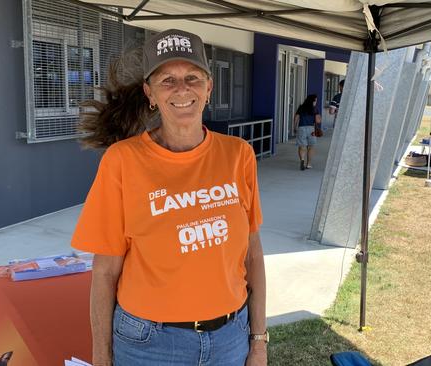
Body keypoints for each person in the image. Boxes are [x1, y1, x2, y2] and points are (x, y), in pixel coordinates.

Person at [71, 29, 267, 366]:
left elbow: (252, 255)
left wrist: (259, 343)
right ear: (150, 93)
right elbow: (104, 273)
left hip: (230, 338)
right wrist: (101, 358)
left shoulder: (239, 155)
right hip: (149, 345)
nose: (181, 89)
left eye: (192, 77)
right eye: (167, 80)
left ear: (209, 87)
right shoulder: (122, 161)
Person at [293, 94, 321, 170]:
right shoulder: (315, 109)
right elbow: (318, 121)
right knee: (311, 147)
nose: (316, 102)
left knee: (302, 146)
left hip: (301, 128)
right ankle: (308, 164)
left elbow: (296, 117)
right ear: (313, 101)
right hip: (311, 129)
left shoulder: (301, 107)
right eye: (315, 100)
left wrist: (295, 127)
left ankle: (302, 159)